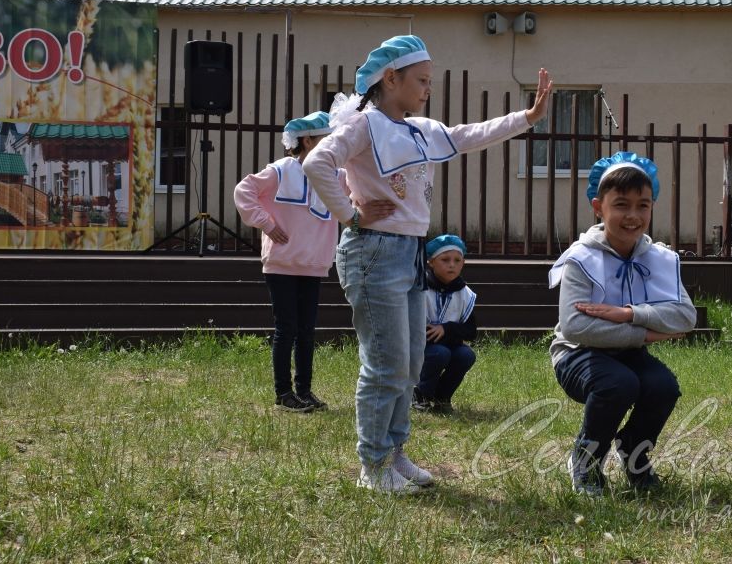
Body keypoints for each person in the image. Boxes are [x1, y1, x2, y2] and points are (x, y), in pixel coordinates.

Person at [303, 35, 552, 493]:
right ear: (390, 78)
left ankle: (395, 455)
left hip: (410, 253)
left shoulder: (419, 129)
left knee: (411, 359)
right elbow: (318, 162)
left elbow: (467, 135)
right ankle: (372, 465)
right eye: (420, 80)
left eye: (429, 81)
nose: (427, 88)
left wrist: (527, 118)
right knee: (386, 362)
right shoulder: (364, 125)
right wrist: (351, 214)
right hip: (373, 251)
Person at [548, 152, 697, 496]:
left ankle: (634, 454)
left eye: (642, 205)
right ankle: (585, 460)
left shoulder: (659, 258)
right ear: (598, 207)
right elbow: (574, 326)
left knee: (663, 386)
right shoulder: (581, 258)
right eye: (621, 205)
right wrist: (647, 332)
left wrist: (630, 313)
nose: (632, 216)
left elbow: (686, 317)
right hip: (578, 355)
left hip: (627, 351)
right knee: (619, 383)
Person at [234, 112, 350, 412]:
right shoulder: (282, 170)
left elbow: (358, 193)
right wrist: (267, 223)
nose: (331, 146)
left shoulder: (336, 175)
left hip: (314, 263)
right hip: (282, 263)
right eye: (326, 140)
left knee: (307, 329)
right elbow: (244, 191)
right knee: (287, 328)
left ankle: (305, 390)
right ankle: (283, 393)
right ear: (307, 140)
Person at [413, 234, 477, 414]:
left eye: (457, 260)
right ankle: (420, 394)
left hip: (449, 344)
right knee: (439, 353)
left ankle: (442, 397)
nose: (452, 265)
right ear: (431, 262)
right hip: (422, 346)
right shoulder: (419, 288)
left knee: (466, 355)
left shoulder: (465, 294)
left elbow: (471, 331)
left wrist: (447, 329)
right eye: (445, 260)